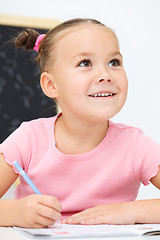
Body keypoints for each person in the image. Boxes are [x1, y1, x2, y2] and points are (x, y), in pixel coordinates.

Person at [0, 18, 160, 229]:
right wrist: (13, 213)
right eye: (85, 63)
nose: (105, 75)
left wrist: (127, 210)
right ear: (51, 85)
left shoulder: (136, 145)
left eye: (114, 62)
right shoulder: (28, 139)